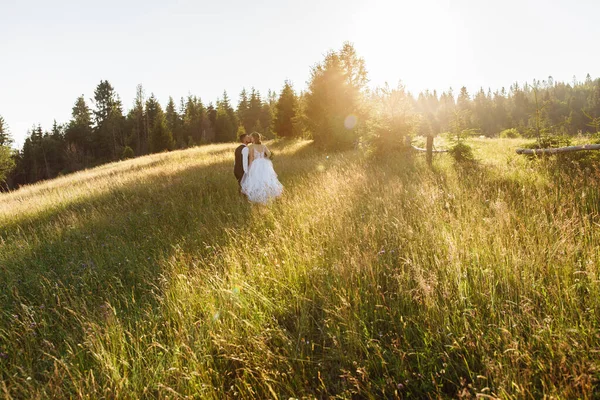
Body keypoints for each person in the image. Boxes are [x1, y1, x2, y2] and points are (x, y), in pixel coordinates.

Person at [241, 132, 283, 204]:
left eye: (251, 137)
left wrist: (249, 169)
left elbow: (251, 158)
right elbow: (269, 154)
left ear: (254, 138)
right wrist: (264, 158)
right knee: (266, 179)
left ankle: (258, 198)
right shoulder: (263, 146)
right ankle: (269, 196)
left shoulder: (251, 146)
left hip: (256, 164)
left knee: (256, 180)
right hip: (265, 164)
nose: (250, 138)